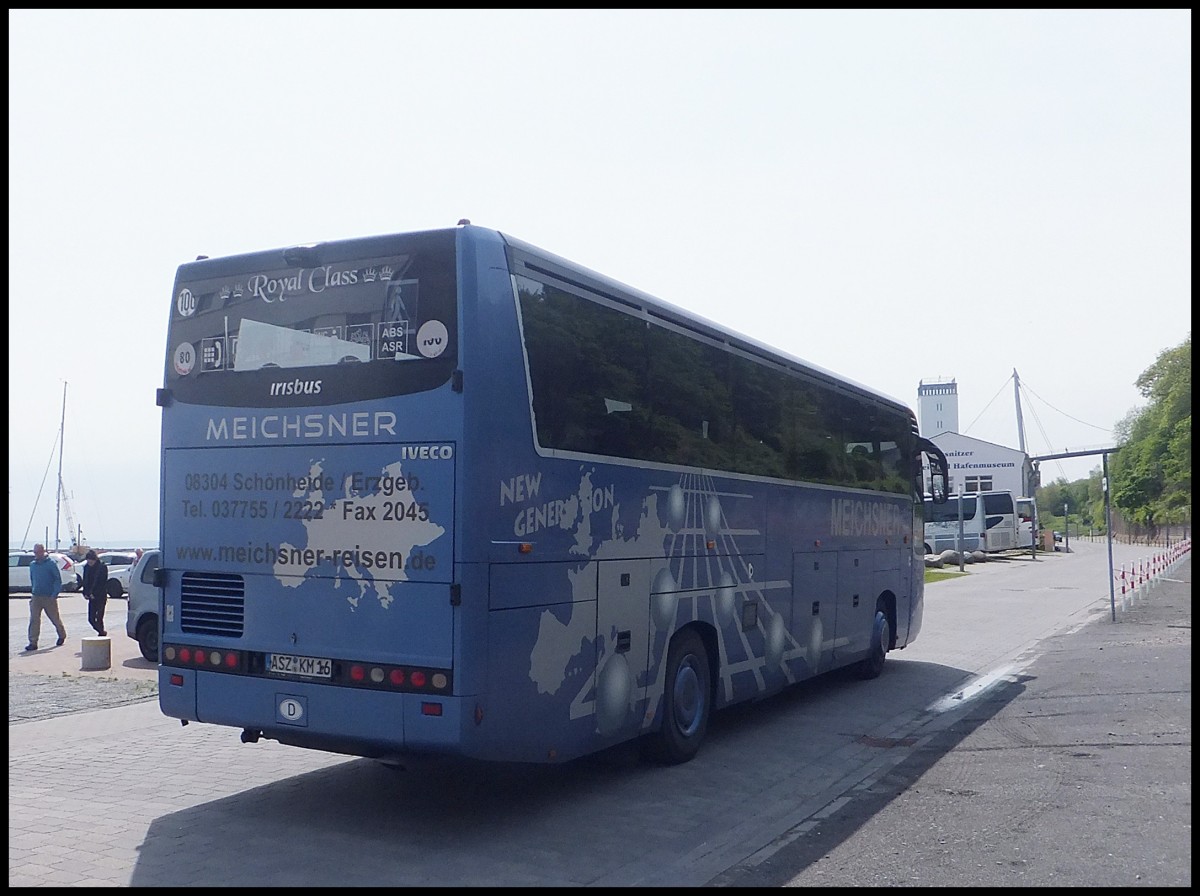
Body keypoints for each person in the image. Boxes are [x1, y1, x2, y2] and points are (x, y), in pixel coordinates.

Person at [25, 543, 67, 651]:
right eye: (34, 552)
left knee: (55, 618)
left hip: (49, 597)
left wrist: (54, 594)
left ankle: (61, 635)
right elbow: (32, 579)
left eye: (38, 552)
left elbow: (57, 580)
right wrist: (33, 591)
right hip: (36, 596)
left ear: (42, 551)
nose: (36, 554)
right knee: (34, 620)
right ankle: (33, 642)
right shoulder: (33, 565)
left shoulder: (51, 564)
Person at [80, 549, 110, 637]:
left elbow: (103, 583)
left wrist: (95, 594)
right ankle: (101, 632)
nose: (89, 563)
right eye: (88, 561)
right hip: (90, 597)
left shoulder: (102, 567)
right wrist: (85, 592)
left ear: (95, 559)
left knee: (99, 618)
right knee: (91, 619)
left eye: (91, 561)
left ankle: (102, 634)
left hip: (101, 596)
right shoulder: (86, 567)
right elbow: (85, 581)